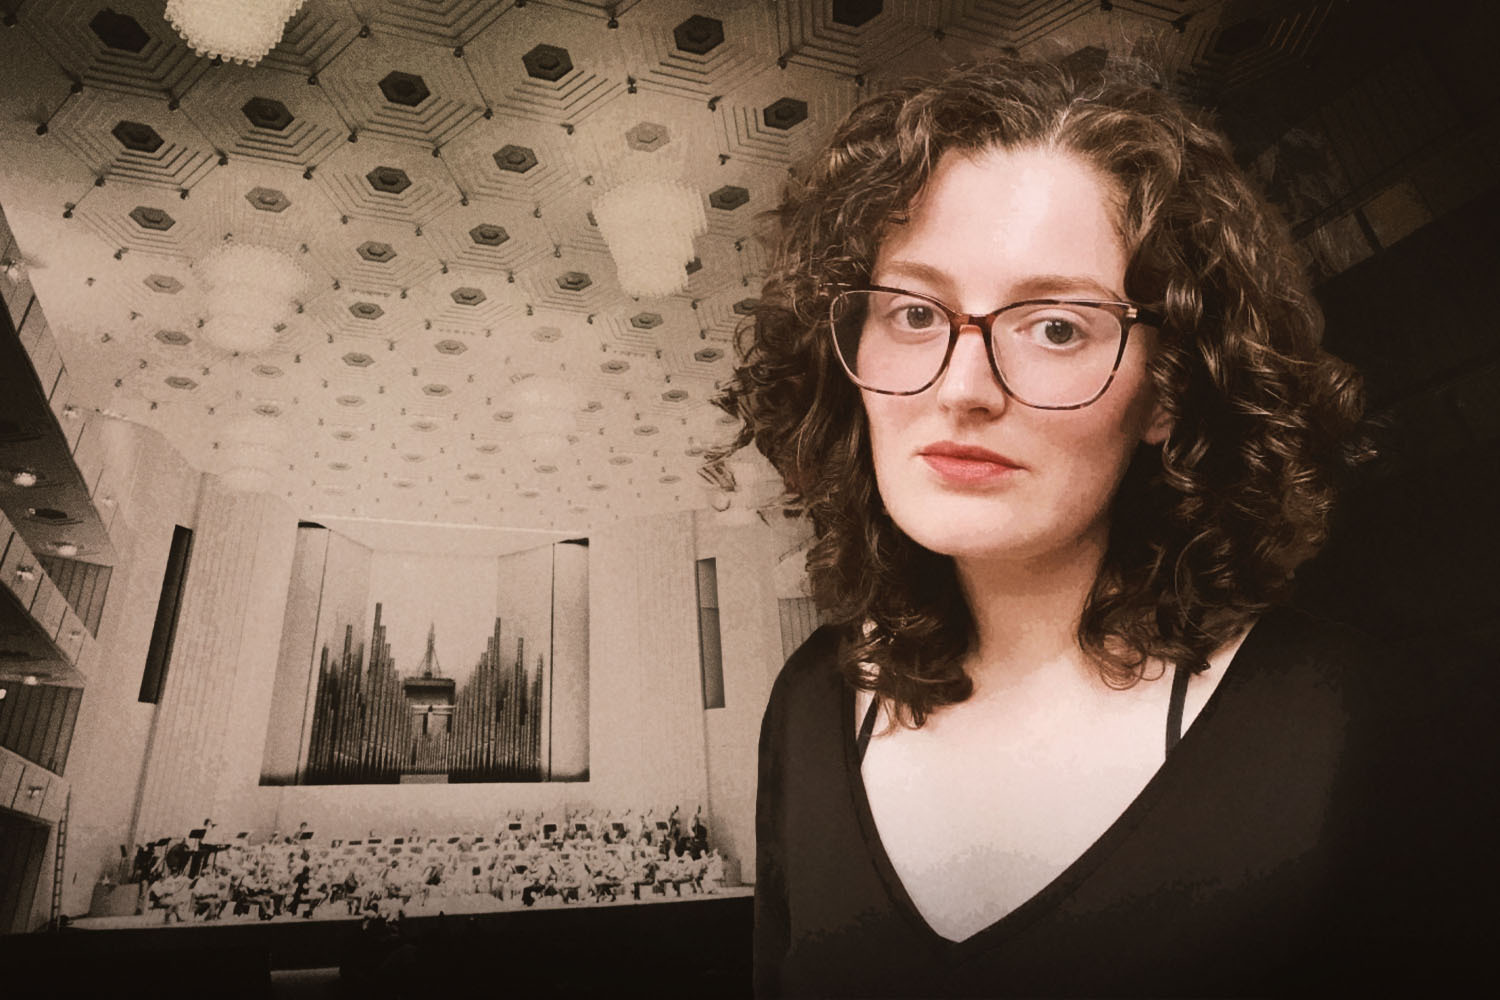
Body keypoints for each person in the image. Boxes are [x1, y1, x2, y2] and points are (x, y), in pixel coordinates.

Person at [718, 53, 1476, 996]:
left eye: (1056, 328)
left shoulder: (1346, 726)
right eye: (914, 312)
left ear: (1169, 390)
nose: (962, 388)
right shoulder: (810, 701)